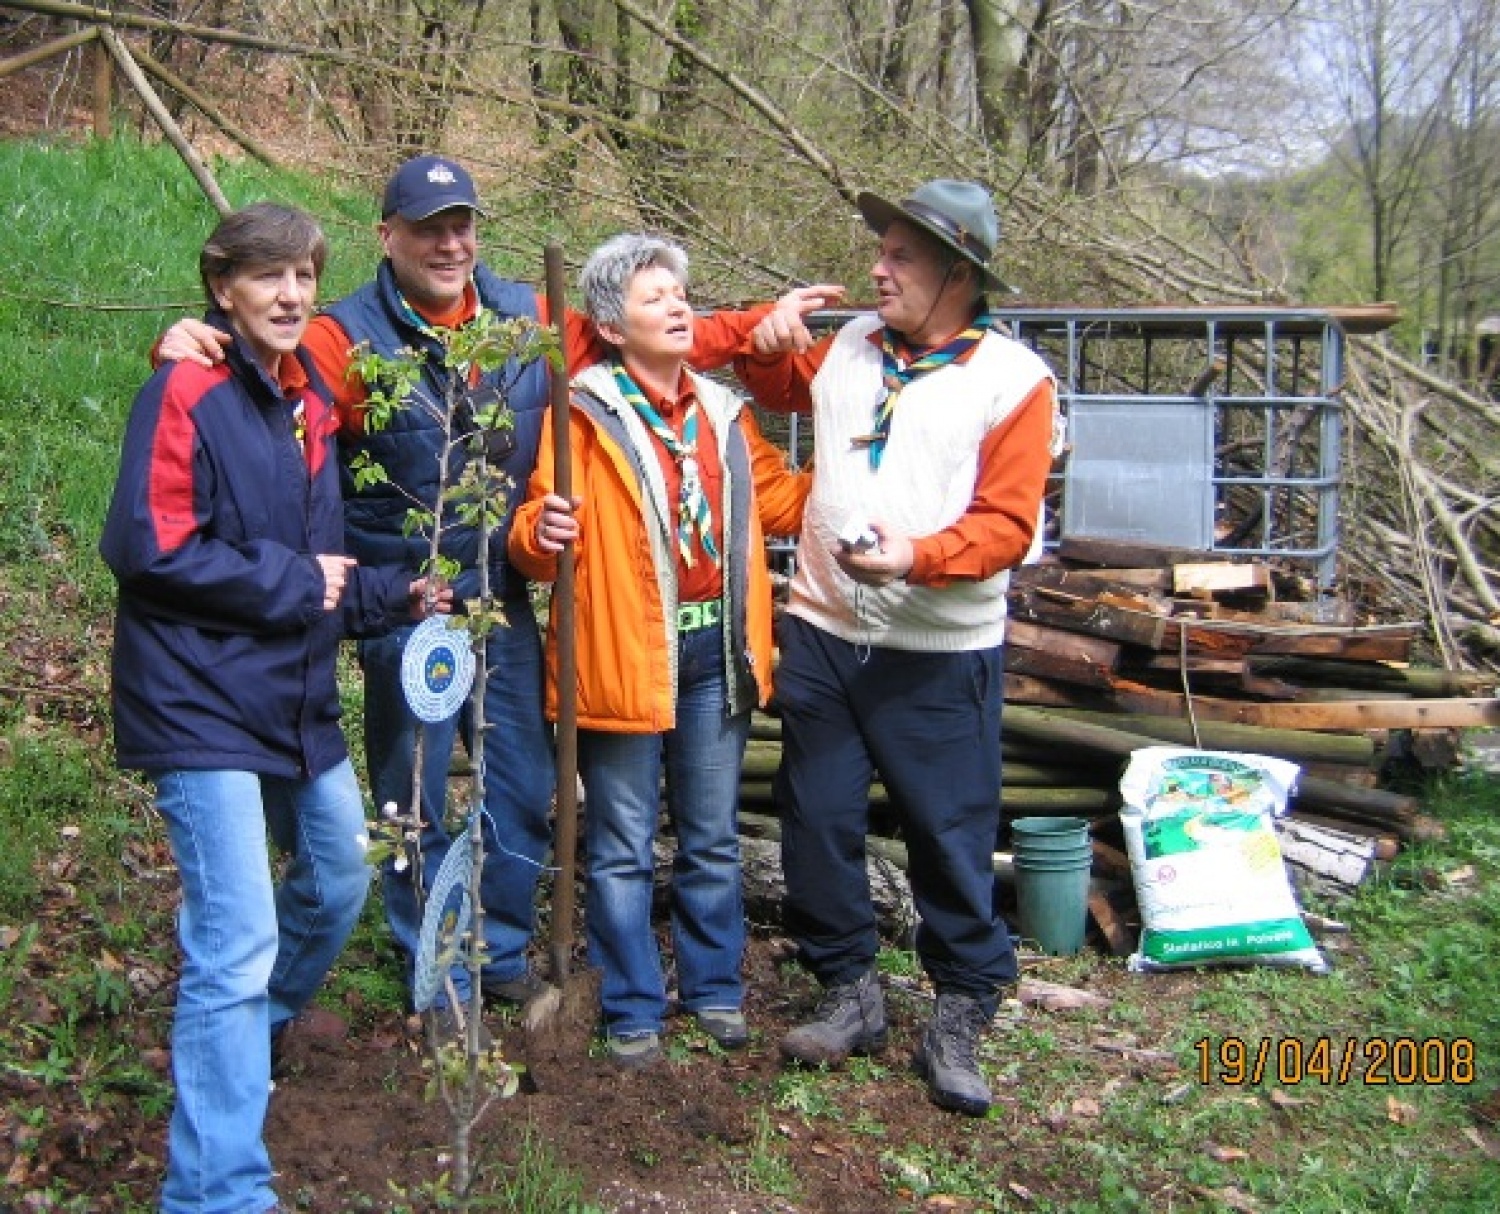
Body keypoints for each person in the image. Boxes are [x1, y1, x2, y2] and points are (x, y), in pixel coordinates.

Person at [156, 155, 839, 1030]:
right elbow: (260, 381)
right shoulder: (346, 338)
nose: (451, 243)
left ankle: (498, 949)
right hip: (409, 604)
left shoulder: (528, 316)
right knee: (416, 787)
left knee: (518, 782)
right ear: (387, 237)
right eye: (429, 227)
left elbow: (653, 335)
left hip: (510, 594)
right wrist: (188, 341)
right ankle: (430, 962)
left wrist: (754, 328)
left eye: (463, 225)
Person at [101, 203, 447, 1213]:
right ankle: (216, 1190)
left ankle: (244, 1034)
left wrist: (399, 594)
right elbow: (150, 547)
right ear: (224, 289)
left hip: (289, 703)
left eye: (303, 276)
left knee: (341, 872)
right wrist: (305, 580)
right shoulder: (186, 388)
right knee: (236, 936)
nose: (291, 295)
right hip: (196, 700)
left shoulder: (311, 404)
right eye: (268, 279)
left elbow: (327, 569)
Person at [735, 179, 1058, 1116]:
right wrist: (766, 339)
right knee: (816, 817)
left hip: (941, 649)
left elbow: (1006, 525)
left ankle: (962, 1006)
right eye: (881, 249)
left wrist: (919, 557)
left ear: (960, 272)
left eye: (902, 255)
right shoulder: (848, 347)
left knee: (949, 833)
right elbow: (776, 380)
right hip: (828, 633)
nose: (877, 266)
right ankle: (850, 989)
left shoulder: (1013, 381)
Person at [508, 234, 809, 1069]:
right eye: (654, 298)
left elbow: (783, 501)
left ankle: (714, 990)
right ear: (609, 324)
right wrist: (542, 531)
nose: (678, 307)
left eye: (681, 294)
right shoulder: (579, 415)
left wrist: (869, 486)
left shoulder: (724, 413)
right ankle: (633, 1001)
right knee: (622, 842)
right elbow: (533, 538)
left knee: (711, 836)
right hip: (620, 653)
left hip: (717, 649)